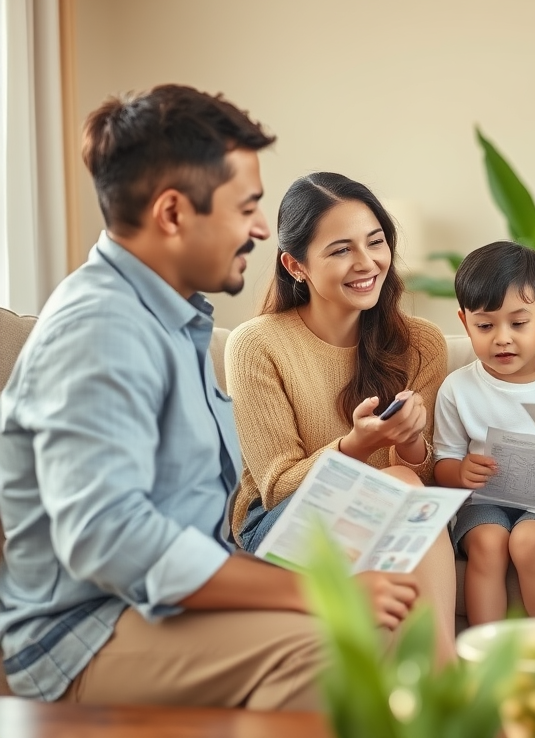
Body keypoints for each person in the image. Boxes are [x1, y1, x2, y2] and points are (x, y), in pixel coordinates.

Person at [0, 84, 323, 708]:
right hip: (79, 632)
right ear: (173, 214)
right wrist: (308, 594)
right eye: (247, 206)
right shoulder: (101, 328)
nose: (261, 228)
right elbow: (109, 537)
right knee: (327, 643)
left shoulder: (171, 322)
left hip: (148, 608)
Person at [226, 172, 457, 656]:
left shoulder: (420, 344)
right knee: (400, 486)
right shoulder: (256, 344)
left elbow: (424, 473)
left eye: (376, 242)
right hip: (281, 524)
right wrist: (358, 445)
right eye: (340, 250)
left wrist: (412, 442)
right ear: (296, 265)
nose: (366, 262)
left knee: (404, 486)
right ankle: (448, 685)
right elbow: (276, 486)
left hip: (392, 512)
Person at [433, 242, 535, 625]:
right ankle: (488, 654)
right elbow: (443, 464)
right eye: (485, 325)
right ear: (464, 323)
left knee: (526, 544)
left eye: (518, 323)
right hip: (483, 503)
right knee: (489, 544)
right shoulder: (457, 388)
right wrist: (460, 473)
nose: (502, 338)